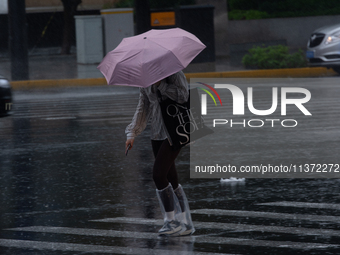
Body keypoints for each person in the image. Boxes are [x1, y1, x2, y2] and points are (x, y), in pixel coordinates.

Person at [125, 71, 195, 236]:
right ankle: (185, 222)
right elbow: (143, 106)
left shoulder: (174, 73)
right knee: (171, 177)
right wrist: (132, 133)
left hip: (175, 130)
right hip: (157, 133)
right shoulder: (144, 77)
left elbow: (183, 95)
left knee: (158, 175)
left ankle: (171, 221)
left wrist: (161, 85)